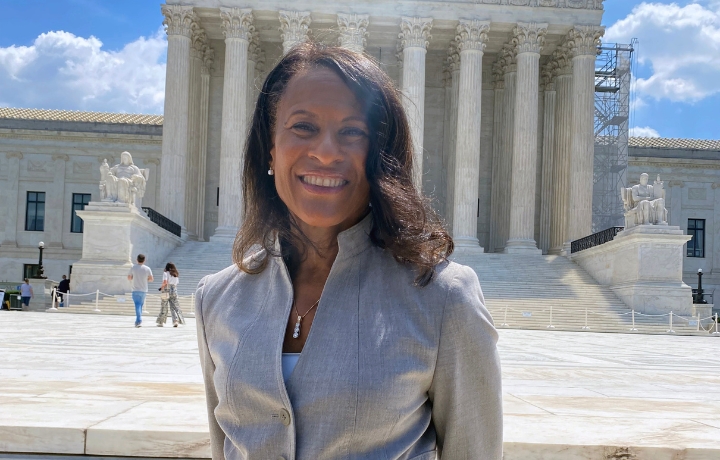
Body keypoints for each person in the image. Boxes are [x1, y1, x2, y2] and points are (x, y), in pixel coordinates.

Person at [194, 43, 502, 460]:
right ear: (270, 148)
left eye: (353, 132)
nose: (325, 151)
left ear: (380, 156)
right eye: (303, 127)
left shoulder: (444, 298)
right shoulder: (217, 299)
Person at [156, 262, 185, 327]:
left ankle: (161, 322)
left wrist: (161, 288)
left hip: (166, 289)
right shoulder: (176, 274)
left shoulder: (165, 273)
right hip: (174, 290)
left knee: (164, 306)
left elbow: (165, 282)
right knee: (174, 307)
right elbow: (176, 284)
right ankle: (175, 321)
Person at [127, 254, 153, 327]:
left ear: (136, 259)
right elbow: (151, 279)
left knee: (137, 305)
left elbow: (129, 278)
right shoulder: (147, 268)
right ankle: (137, 321)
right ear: (144, 260)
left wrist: (133, 277)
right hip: (144, 290)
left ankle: (139, 320)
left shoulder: (133, 267)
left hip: (135, 289)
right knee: (140, 305)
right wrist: (146, 279)